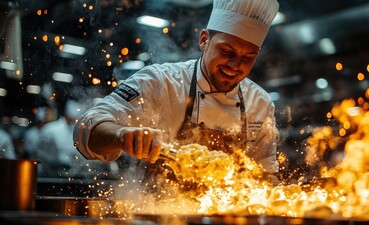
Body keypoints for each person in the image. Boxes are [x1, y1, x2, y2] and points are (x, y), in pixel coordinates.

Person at [73, 0, 280, 179]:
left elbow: (265, 175)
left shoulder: (260, 103)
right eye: (226, 51)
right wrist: (121, 135)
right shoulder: (159, 82)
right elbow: (84, 130)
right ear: (204, 40)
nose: (235, 65)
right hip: (156, 217)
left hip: (226, 218)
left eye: (247, 58)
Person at [37, 99, 110, 178]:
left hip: (73, 176)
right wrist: (62, 162)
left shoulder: (77, 131)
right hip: (51, 177)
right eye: (75, 119)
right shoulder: (50, 130)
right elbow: (41, 155)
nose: (77, 121)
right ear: (68, 115)